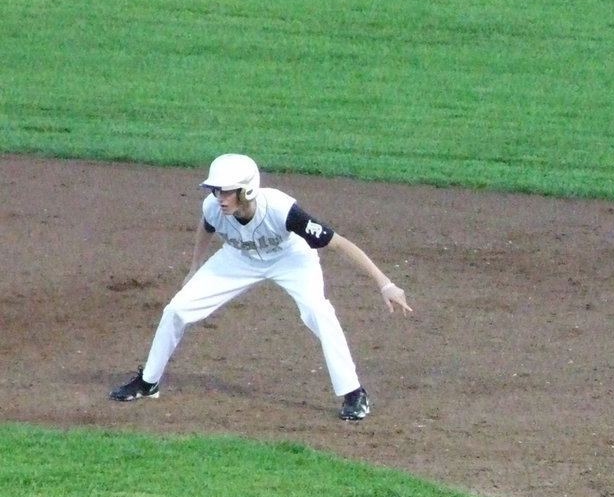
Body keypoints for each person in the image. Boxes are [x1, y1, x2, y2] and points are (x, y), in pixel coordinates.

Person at [108, 153, 413, 421]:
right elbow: (206, 227)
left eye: (227, 191)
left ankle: (353, 392)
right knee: (176, 309)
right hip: (239, 258)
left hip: (290, 258)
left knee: (318, 311)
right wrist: (194, 268)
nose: (219, 197)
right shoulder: (214, 207)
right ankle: (148, 383)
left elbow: (339, 243)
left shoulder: (284, 211)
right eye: (216, 190)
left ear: (247, 189)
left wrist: (385, 283)